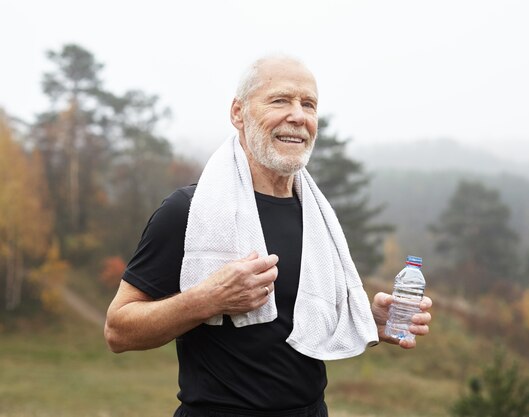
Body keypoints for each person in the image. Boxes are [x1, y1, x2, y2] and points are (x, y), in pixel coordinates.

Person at [104, 55, 432, 417]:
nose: (298, 116)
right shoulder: (188, 210)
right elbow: (119, 330)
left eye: (308, 104)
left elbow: (298, 322)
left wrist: (370, 319)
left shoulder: (318, 218)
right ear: (238, 113)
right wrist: (208, 299)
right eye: (280, 100)